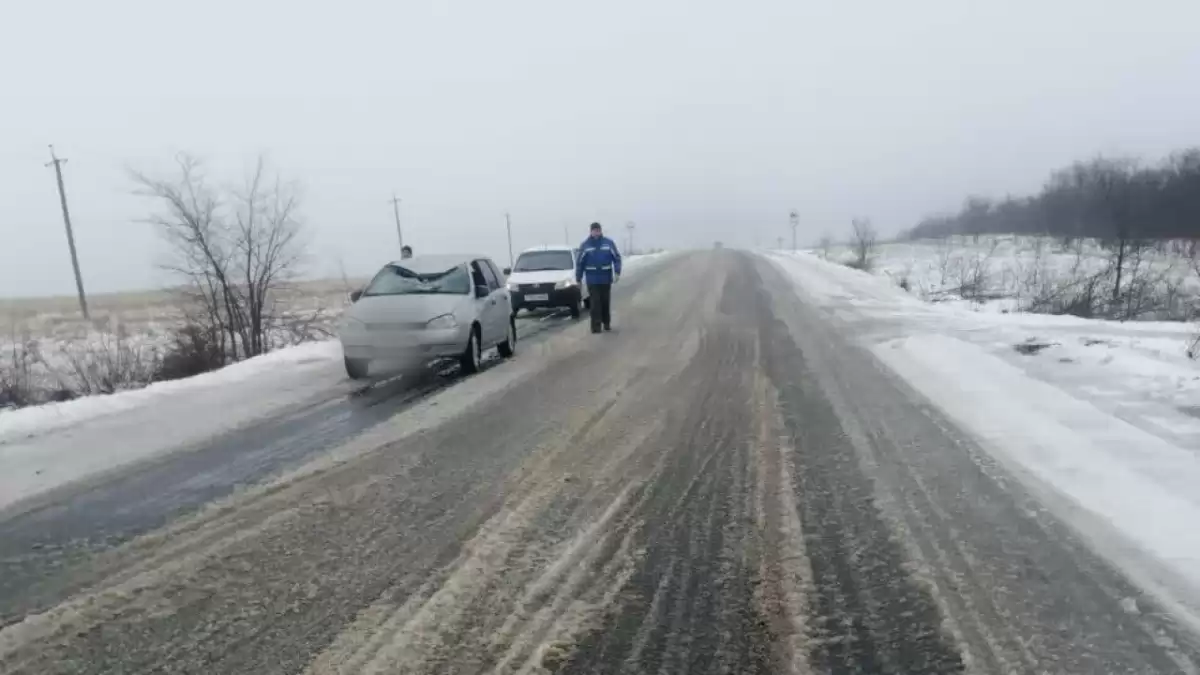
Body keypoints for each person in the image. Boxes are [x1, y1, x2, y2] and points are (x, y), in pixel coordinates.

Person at [575, 222, 622, 333]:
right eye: (594, 230)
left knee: (605, 302)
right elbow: (580, 263)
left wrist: (617, 272)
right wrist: (578, 278)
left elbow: (616, 258)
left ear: (600, 231)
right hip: (592, 280)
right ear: (591, 231)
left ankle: (606, 323)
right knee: (595, 303)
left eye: (598, 230)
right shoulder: (585, 245)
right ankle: (596, 327)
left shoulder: (608, 243)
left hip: (605, 279)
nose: (596, 232)